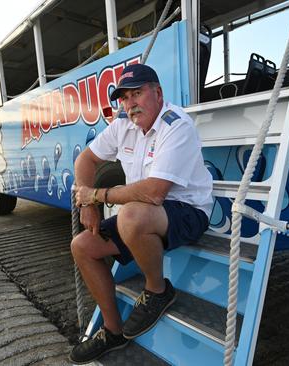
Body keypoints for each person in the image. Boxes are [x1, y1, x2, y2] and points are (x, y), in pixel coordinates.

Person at [69, 64, 213, 364]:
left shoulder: (177, 125)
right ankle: (112, 330)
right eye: (124, 98)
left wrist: (96, 195)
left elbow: (155, 192)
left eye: (138, 93)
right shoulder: (124, 125)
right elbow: (86, 159)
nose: (130, 103)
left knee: (131, 215)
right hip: (145, 216)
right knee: (82, 246)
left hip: (188, 212)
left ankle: (157, 290)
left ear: (158, 93)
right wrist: (87, 205)